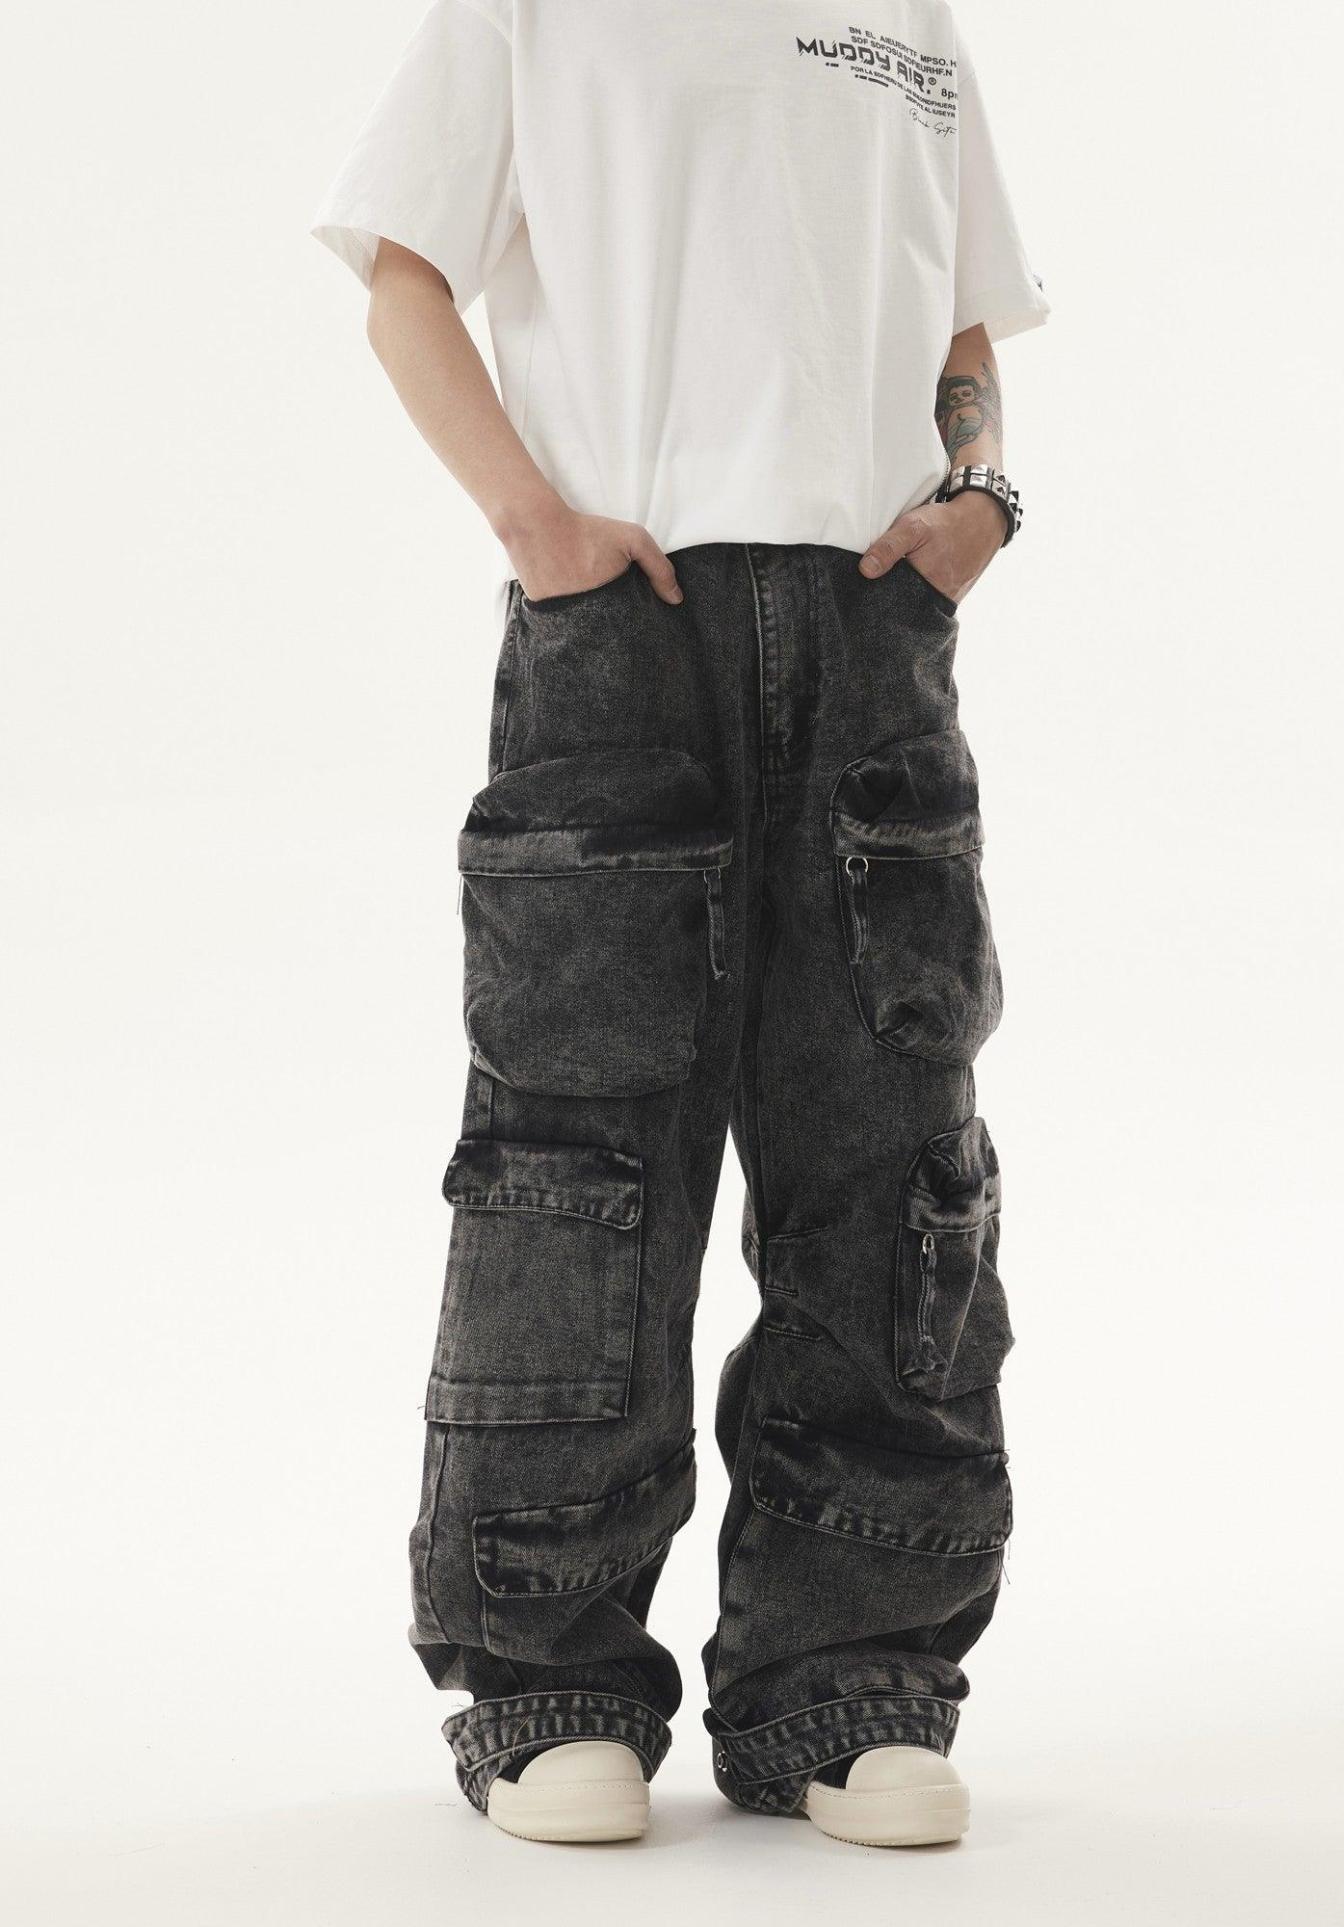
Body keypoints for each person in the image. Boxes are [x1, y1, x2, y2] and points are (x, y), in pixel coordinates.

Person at [313, 0, 1047, 1849]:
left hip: (875, 629)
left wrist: (977, 494)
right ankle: (545, 1677)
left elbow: (961, 313)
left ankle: (850, 1677)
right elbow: (403, 275)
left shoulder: (906, 18)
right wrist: (534, 526)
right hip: (622, 621)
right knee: (580, 1158)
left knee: (889, 1153)